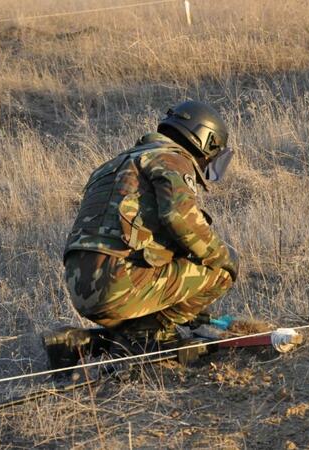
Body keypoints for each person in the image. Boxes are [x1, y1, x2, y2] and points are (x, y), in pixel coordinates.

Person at [44, 100, 239, 370]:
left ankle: (82, 342)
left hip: (80, 285)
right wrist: (220, 256)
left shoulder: (112, 166)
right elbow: (179, 218)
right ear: (207, 142)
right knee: (224, 268)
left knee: (146, 301)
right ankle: (153, 336)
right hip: (119, 282)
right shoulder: (172, 158)